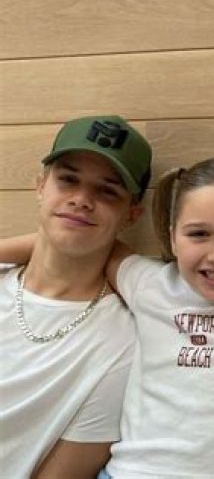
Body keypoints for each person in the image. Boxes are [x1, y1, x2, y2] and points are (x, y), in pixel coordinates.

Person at [2, 157, 214, 478]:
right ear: (172, 237)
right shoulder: (149, 284)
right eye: (198, 234)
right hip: (130, 472)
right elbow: (67, 242)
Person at [0, 115, 151, 478]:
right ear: (40, 186)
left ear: (132, 214)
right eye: (68, 180)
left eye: (107, 191)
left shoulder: (125, 343)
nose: (82, 200)